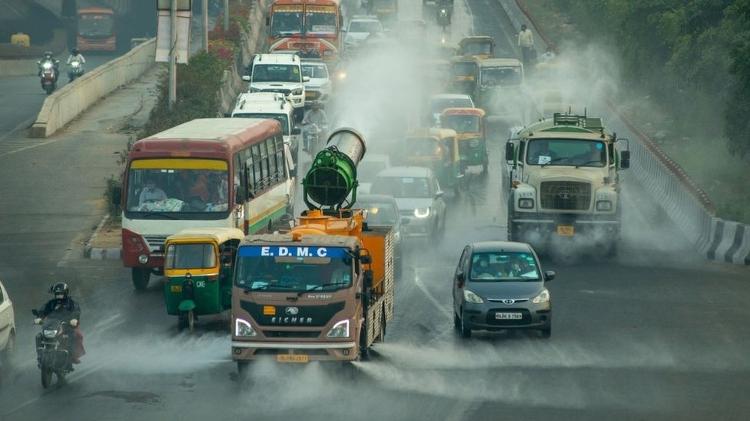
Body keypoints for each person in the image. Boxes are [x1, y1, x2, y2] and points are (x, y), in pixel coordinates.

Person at [35, 282, 85, 366]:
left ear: (65, 293)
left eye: (61, 294)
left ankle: (73, 356)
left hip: (67, 325)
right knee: (39, 336)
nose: (58, 296)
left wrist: (74, 319)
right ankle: (40, 355)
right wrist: (39, 317)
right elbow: (43, 310)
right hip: (51, 325)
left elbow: (76, 311)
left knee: (77, 335)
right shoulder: (51, 303)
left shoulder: (71, 303)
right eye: (57, 294)